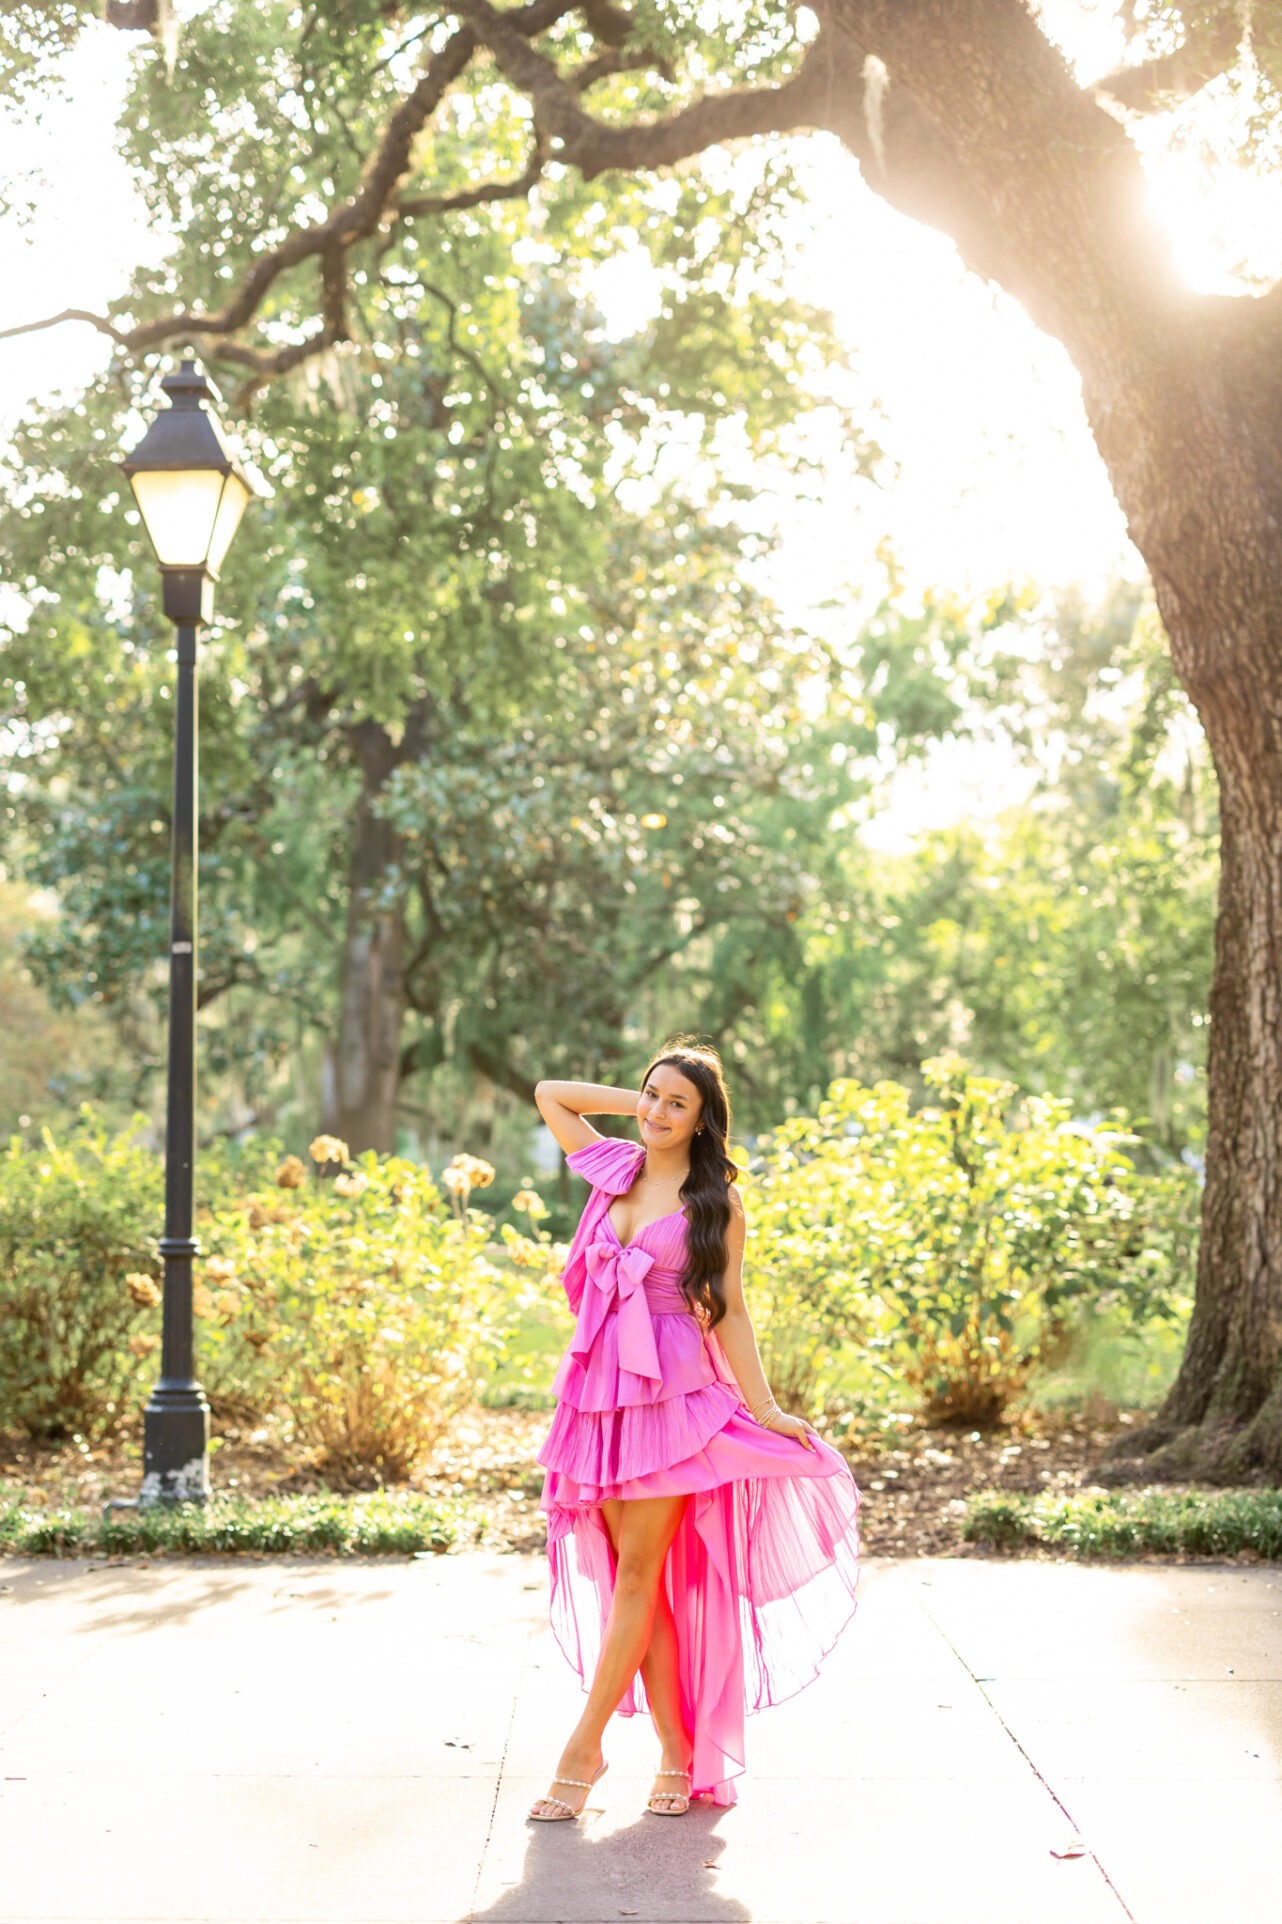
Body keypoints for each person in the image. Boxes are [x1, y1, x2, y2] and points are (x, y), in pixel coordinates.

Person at [527, 1038, 861, 1821]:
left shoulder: (716, 1204)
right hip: (600, 1393)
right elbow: (551, 1093)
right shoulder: (614, 1166)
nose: (656, 1112)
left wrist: (769, 1408)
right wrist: (653, 1096)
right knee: (634, 1583)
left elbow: (731, 1310)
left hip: (675, 1396)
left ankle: (585, 1749)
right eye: (651, 1098)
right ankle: (678, 1753)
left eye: (678, 1105)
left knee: (639, 1577)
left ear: (706, 1120)